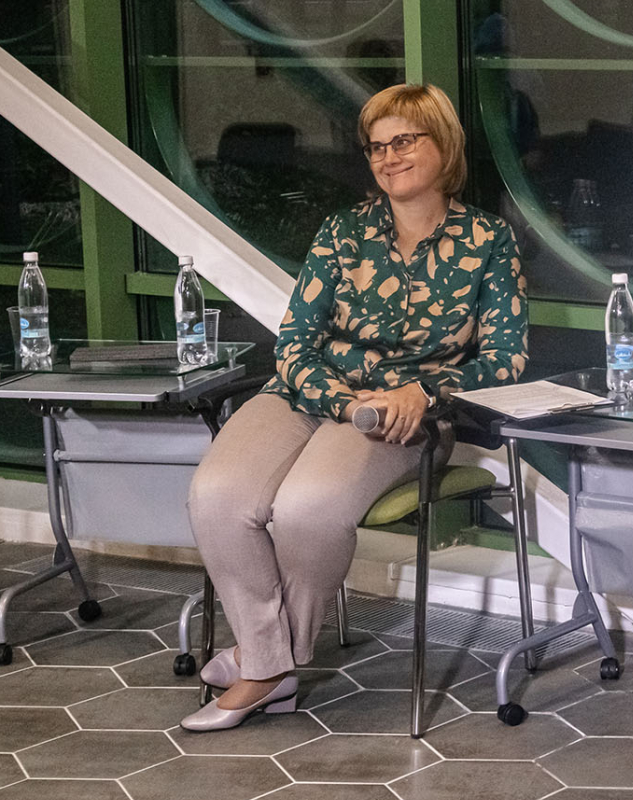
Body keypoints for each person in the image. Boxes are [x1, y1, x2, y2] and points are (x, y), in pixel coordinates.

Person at [182, 83, 528, 732]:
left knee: (307, 508)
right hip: (310, 396)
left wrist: (422, 392)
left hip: (405, 417)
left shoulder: (488, 239)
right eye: (376, 147)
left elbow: (506, 360)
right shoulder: (344, 232)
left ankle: (263, 669)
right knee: (216, 494)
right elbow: (294, 344)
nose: (389, 157)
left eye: (405, 141)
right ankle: (269, 663)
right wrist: (342, 401)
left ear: (443, 144)